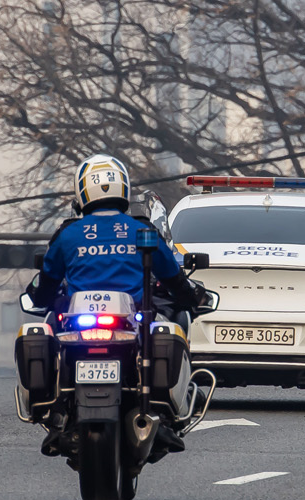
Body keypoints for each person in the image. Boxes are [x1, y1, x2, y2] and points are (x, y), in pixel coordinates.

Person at [24, 154, 205, 450]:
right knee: (167, 332)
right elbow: (173, 277)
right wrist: (192, 299)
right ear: (124, 188)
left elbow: (46, 285)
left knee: (48, 333)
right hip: (132, 321)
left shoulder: (67, 235)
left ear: (81, 191)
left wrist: (40, 299)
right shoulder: (142, 231)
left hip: (78, 324)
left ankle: (56, 411)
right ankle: (161, 412)